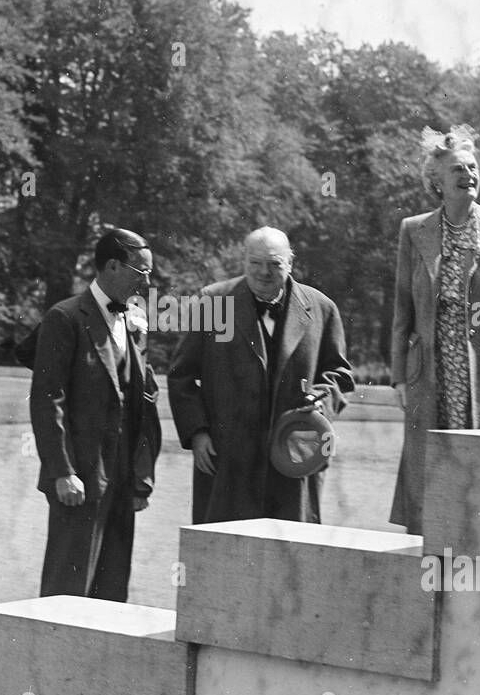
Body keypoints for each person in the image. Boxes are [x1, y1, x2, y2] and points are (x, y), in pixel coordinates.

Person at [388, 126, 480, 535]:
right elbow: (402, 307)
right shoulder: (413, 230)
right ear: (436, 181)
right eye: (458, 169)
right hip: (429, 373)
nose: (468, 174)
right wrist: (400, 375)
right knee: (430, 475)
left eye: (473, 167)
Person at [168, 226, 353, 524]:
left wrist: (321, 400)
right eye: (255, 263)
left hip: (294, 454)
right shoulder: (214, 302)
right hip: (227, 457)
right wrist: (197, 433)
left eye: (274, 264)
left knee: (292, 552)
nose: (263, 272)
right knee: (225, 550)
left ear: (290, 263)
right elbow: (181, 375)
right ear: (243, 262)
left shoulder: (322, 308)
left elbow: (340, 375)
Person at [29, 228, 162, 602]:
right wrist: (62, 471)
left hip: (122, 476)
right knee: (68, 584)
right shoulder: (65, 317)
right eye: (142, 271)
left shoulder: (135, 321)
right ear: (114, 267)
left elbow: (143, 401)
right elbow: (47, 399)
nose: (147, 281)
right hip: (80, 474)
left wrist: (141, 476)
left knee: (112, 584)